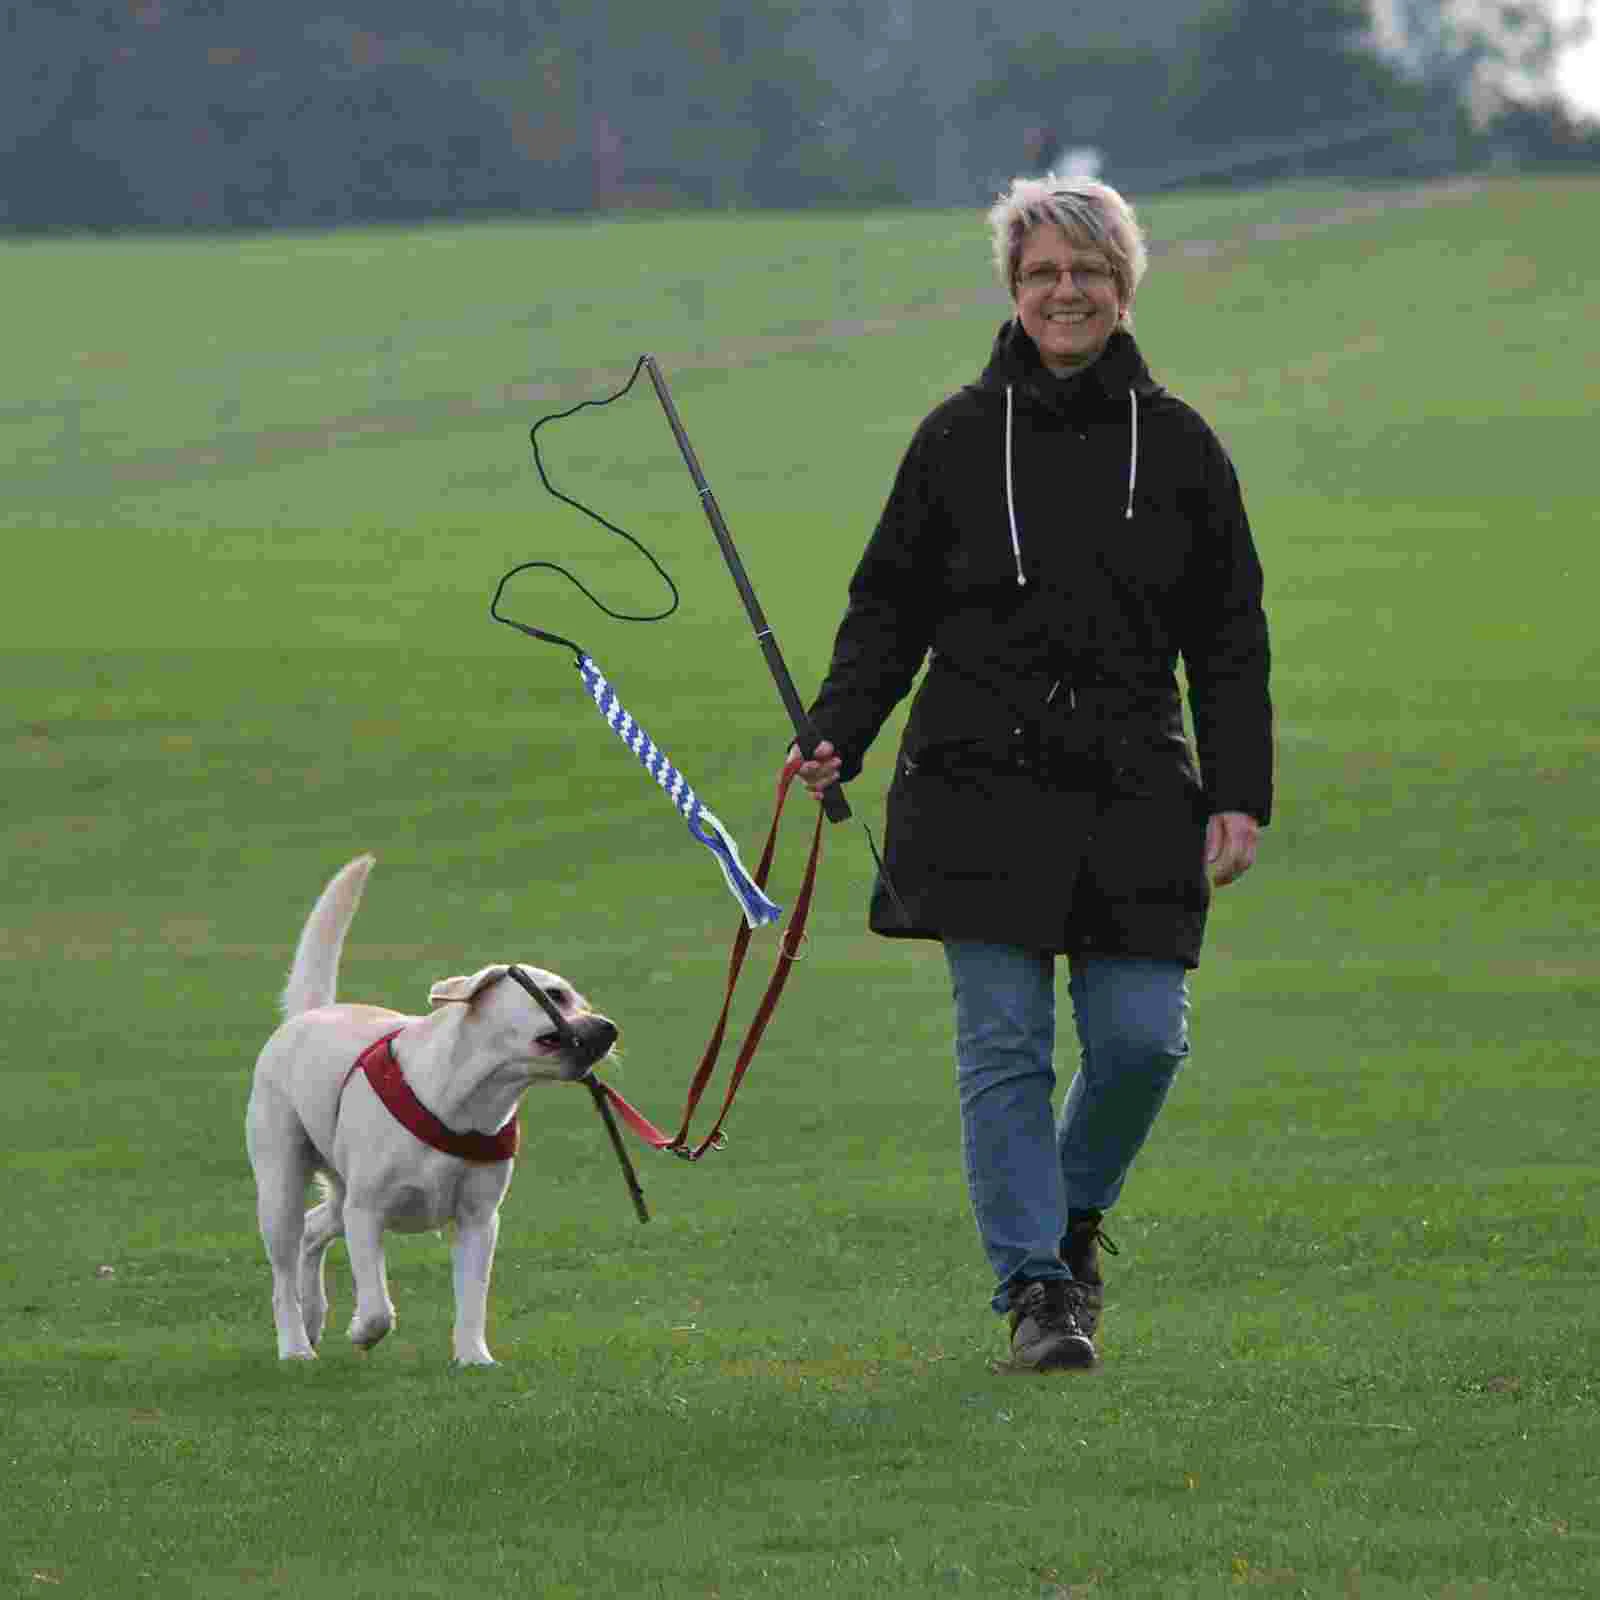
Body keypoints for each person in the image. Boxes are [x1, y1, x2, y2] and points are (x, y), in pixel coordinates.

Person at [788, 175, 1273, 1371]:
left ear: (1123, 288)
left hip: (1134, 788)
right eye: (1044, 272)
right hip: (973, 785)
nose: (1066, 292)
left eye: (1088, 272)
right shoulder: (955, 438)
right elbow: (886, 607)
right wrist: (840, 725)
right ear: (1013, 287)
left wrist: (1237, 789)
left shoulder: (1181, 445)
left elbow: (1228, 636)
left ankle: (1068, 1219)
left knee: (1142, 1042)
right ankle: (1038, 1290)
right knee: (1003, 1046)